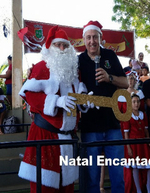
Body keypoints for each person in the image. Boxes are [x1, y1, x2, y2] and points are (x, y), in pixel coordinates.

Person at [18, 25, 87, 192]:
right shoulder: (42, 67)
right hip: (45, 137)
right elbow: (28, 94)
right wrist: (55, 101)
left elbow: (77, 97)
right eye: (58, 45)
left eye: (65, 45)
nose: (62, 49)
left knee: (67, 187)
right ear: (50, 47)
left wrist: (85, 101)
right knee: (45, 186)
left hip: (67, 139)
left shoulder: (74, 72)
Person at [78, 20, 128, 193]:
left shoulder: (110, 56)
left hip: (113, 125)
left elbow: (126, 82)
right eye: (89, 37)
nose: (92, 41)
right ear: (84, 40)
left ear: (101, 38)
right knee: (91, 179)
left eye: (95, 37)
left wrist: (109, 78)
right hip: (90, 127)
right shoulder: (79, 61)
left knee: (118, 177)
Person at [123, 93, 150, 193]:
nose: (136, 104)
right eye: (134, 102)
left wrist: (148, 140)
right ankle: (138, 190)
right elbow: (126, 134)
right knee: (135, 167)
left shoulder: (143, 114)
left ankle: (148, 188)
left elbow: (146, 131)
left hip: (143, 143)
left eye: (137, 101)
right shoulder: (127, 116)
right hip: (134, 144)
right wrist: (128, 147)